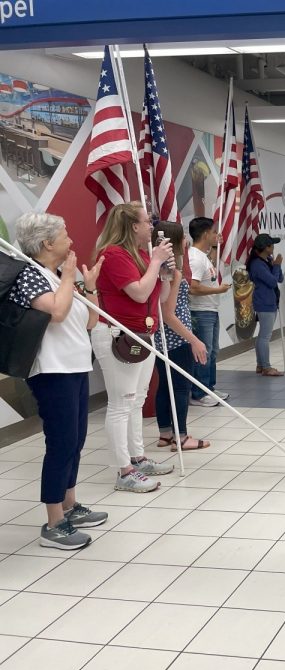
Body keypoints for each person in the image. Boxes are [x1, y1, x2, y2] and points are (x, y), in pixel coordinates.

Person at [10, 212, 107, 549]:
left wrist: (89, 286)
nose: (71, 240)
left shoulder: (55, 276)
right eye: (65, 235)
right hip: (51, 371)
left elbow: (91, 321)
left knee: (76, 439)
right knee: (62, 442)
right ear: (47, 243)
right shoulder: (31, 276)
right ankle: (54, 522)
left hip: (76, 366)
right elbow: (56, 313)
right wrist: (68, 276)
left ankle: (70, 502)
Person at [91, 201, 174, 493]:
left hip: (142, 334)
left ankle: (137, 458)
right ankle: (123, 470)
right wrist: (154, 263)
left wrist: (163, 273)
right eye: (147, 222)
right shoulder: (113, 254)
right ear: (133, 226)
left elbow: (158, 296)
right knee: (120, 403)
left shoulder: (140, 254)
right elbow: (138, 294)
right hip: (118, 335)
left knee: (137, 399)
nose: (152, 226)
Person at [152, 221, 210, 450]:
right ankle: (181, 436)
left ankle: (165, 433)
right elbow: (168, 313)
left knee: (165, 385)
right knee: (180, 387)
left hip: (160, 338)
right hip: (177, 337)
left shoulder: (156, 267)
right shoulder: (171, 271)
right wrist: (193, 339)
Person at [187, 217, 231, 406]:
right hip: (200, 311)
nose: (217, 235)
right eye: (214, 232)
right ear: (206, 234)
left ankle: (208, 388)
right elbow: (192, 287)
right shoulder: (195, 258)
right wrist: (218, 290)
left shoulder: (203, 256)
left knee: (212, 351)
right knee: (203, 353)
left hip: (210, 310)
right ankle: (198, 393)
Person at [247, 233, 285, 376]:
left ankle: (260, 365)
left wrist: (276, 265)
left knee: (262, 335)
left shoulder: (266, 260)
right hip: (264, 303)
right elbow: (272, 282)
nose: (273, 247)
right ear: (265, 247)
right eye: (271, 245)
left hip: (269, 302)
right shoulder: (257, 264)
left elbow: (279, 278)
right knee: (265, 336)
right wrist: (277, 265)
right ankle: (266, 367)